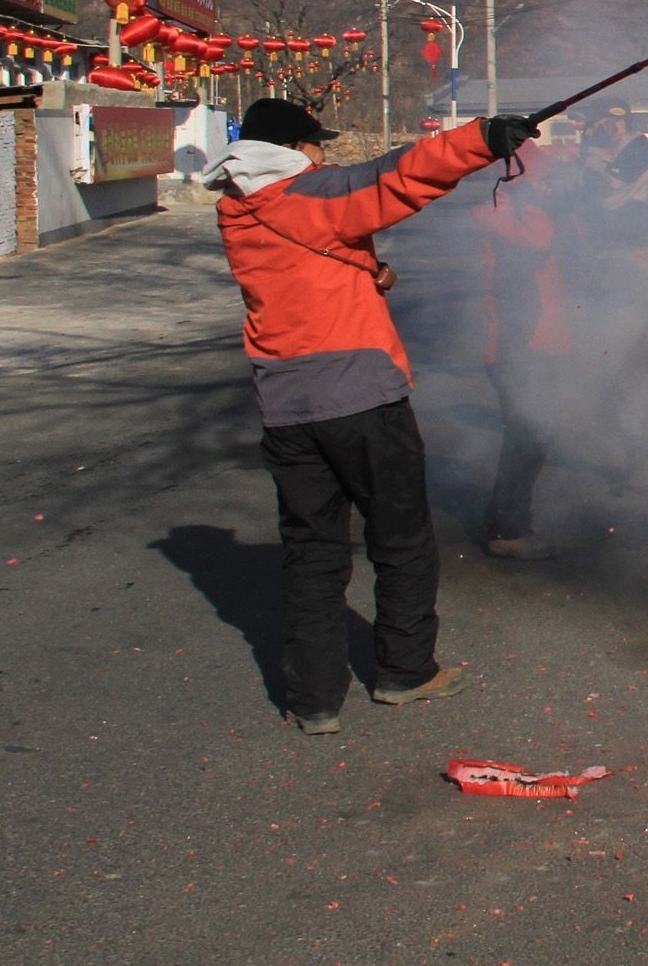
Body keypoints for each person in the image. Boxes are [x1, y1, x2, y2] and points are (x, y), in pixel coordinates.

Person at [205, 98, 537, 733]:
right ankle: (405, 672)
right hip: (359, 398)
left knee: (311, 552)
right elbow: (397, 175)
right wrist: (484, 138)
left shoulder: (238, 208)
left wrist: (368, 269)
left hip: (284, 404)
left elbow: (305, 262)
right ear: (295, 149)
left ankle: (314, 701)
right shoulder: (311, 194)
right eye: (317, 144)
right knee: (402, 538)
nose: (324, 154)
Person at [472, 142, 572, 559]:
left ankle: (507, 519)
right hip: (516, 343)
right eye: (542, 177)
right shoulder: (500, 214)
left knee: (533, 434)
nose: (549, 184)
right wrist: (537, 204)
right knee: (528, 433)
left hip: (535, 339)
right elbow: (537, 243)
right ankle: (508, 528)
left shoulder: (511, 208)